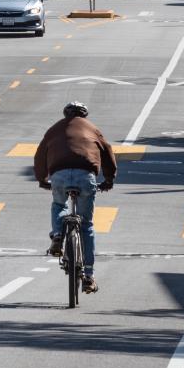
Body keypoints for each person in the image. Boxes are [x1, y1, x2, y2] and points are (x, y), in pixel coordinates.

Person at [34, 102, 117, 294]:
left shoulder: (54, 129)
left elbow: (40, 155)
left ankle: (57, 235)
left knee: (58, 204)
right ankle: (88, 276)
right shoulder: (93, 129)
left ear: (65, 115)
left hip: (59, 175)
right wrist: (109, 179)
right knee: (86, 225)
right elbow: (108, 152)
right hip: (85, 175)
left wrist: (41, 178)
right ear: (84, 116)